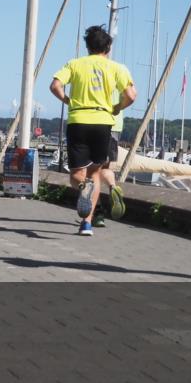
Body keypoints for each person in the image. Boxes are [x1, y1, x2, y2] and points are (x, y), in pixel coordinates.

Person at [50, 25, 137, 237]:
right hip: (103, 122)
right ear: (108, 46)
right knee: (95, 173)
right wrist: (118, 107)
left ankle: (82, 188)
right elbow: (131, 95)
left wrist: (67, 100)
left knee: (77, 175)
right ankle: (86, 224)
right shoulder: (117, 68)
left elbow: (55, 85)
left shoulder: (75, 64)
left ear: (87, 46)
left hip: (79, 120)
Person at [94, 94, 127, 227]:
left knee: (92, 173)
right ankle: (113, 187)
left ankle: (98, 213)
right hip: (115, 125)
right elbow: (129, 95)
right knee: (106, 169)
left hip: (95, 122)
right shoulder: (120, 72)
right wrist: (117, 107)